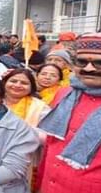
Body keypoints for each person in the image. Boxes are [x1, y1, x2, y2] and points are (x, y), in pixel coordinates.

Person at [37, 33, 101, 193]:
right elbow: (52, 144)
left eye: (99, 63)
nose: (89, 68)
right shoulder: (64, 94)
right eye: (82, 62)